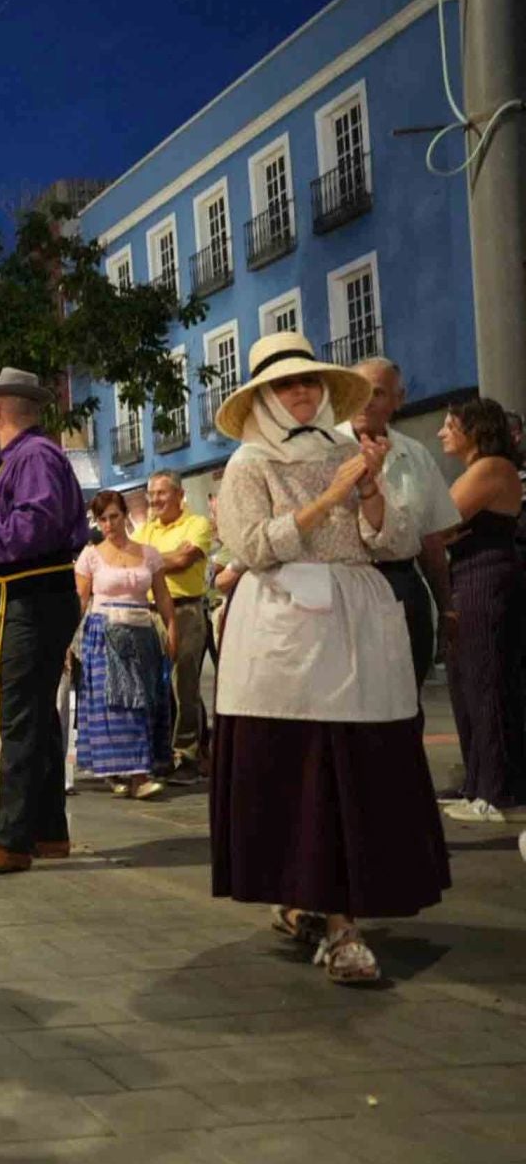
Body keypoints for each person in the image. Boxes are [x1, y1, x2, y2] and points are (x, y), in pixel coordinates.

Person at [210, 332, 446, 984]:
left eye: (309, 382)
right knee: (306, 764)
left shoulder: (353, 450)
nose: (302, 393)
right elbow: (255, 546)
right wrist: (329, 494)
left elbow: (393, 538)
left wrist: (367, 491)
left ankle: (325, 904)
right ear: (264, 395)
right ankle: (336, 919)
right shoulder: (248, 463)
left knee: (356, 761)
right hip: (285, 624)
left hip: (357, 619)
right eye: (287, 385)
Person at [0, 368, 88, 875]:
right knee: (38, 717)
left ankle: (12, 840)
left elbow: (36, 526)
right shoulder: (31, 458)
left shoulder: (33, 457)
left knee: (22, 718)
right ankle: (50, 830)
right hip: (24, 596)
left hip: (28, 602)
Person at [338, 359, 460, 693]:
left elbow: (431, 538)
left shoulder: (416, 455)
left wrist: (447, 607)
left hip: (404, 587)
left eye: (377, 393)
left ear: (398, 399)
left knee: (407, 702)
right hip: (345, 589)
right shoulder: (327, 451)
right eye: (359, 391)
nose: (365, 401)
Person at [437, 397, 526, 822]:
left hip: (487, 579)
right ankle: (478, 783)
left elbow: (440, 522)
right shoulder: (477, 471)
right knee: (465, 682)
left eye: (450, 425)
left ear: (474, 428)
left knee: (487, 681)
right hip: (467, 578)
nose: (442, 433)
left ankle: (498, 792)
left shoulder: (492, 468)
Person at [73, 491, 178, 800]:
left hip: (142, 633)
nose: (109, 524)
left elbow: (161, 595)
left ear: (124, 516)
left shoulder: (149, 554)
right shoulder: (90, 556)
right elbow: (80, 600)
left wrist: (172, 628)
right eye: (102, 519)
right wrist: (67, 640)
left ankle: (135, 773)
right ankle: (131, 774)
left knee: (142, 703)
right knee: (116, 705)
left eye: (114, 517)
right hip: (104, 634)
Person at [139, 472, 214, 782]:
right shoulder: (146, 529)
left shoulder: (197, 524)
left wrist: (149, 558)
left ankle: (188, 752)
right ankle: (163, 749)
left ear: (179, 494)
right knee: (156, 687)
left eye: (162, 493)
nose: (155, 500)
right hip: (151, 613)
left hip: (186, 612)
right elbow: (133, 559)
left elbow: (185, 558)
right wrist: (159, 558)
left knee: (185, 683)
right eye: (151, 494)